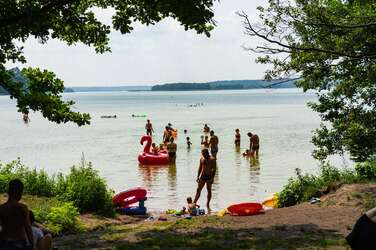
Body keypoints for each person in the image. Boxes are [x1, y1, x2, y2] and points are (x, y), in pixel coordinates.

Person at [0, 179, 33, 250]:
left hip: (4, 242)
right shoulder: (23, 208)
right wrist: (32, 244)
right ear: (19, 192)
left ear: (9, 192)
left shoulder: (1, 208)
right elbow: (28, 228)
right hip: (19, 243)